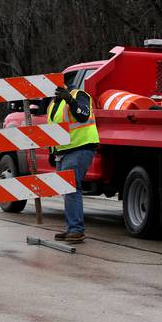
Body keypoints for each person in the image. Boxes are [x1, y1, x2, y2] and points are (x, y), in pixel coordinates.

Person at [47, 85, 100, 243]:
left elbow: (83, 115)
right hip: (63, 151)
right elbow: (53, 129)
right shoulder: (53, 103)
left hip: (81, 147)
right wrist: (53, 151)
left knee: (71, 187)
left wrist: (70, 99)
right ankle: (71, 228)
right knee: (66, 189)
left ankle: (76, 229)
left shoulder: (79, 94)